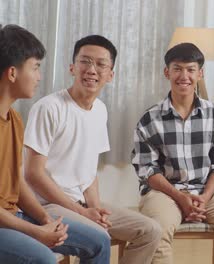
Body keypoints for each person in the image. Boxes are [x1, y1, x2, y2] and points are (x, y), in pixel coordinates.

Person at [23, 34, 161, 264]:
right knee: (99, 238)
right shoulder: (49, 108)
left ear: (110, 74)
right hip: (46, 204)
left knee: (150, 231)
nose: (91, 70)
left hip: (81, 204)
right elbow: (33, 174)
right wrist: (82, 213)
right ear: (72, 67)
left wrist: (96, 209)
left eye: (100, 64)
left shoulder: (100, 110)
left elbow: (88, 172)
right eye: (85, 61)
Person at [131, 42, 214, 264]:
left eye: (190, 69)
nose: (184, 76)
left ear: (201, 73)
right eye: (177, 68)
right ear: (166, 72)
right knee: (157, 233)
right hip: (164, 193)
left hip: (207, 193)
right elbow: (147, 169)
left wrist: (204, 197)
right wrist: (180, 197)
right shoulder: (149, 119)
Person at [0, 24, 110, 264]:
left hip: (14, 215)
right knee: (45, 260)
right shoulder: (48, 108)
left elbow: (15, 182)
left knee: (99, 241)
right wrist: (36, 231)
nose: (39, 76)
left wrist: (44, 220)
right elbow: (32, 174)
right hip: (4, 224)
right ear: (12, 73)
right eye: (35, 67)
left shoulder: (14, 118)